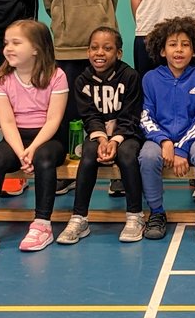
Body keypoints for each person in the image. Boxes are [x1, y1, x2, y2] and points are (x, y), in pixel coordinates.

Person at [39, 0, 119, 197]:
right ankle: (67, 170)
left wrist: (102, 23)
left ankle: (115, 170)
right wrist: (63, 19)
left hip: (99, 45)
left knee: (108, 107)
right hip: (65, 44)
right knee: (69, 111)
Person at [0, 21, 69, 253]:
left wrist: (33, 149)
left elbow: (53, 120)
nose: (8, 48)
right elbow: (6, 122)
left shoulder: (56, 75)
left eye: (17, 43)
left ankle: (42, 224)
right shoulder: (1, 79)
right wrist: (21, 152)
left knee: (44, 159)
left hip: (48, 138)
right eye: (7, 43)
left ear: (36, 48)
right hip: (16, 138)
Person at [57, 27, 146, 244]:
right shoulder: (82, 81)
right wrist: (102, 139)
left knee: (127, 156)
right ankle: (79, 217)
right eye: (94, 48)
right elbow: (89, 115)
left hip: (127, 135)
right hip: (99, 136)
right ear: (87, 52)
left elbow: (131, 115)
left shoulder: (130, 77)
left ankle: (135, 216)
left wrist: (115, 139)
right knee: (88, 156)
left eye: (107, 48)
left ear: (119, 53)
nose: (100, 53)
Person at [138, 17, 195, 242]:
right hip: (158, 138)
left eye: (185, 44)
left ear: (194, 51)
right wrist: (163, 141)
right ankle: (156, 213)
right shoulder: (150, 79)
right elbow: (145, 117)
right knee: (147, 156)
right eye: (173, 44)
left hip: (194, 137)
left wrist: (182, 148)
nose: (179, 50)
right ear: (162, 51)